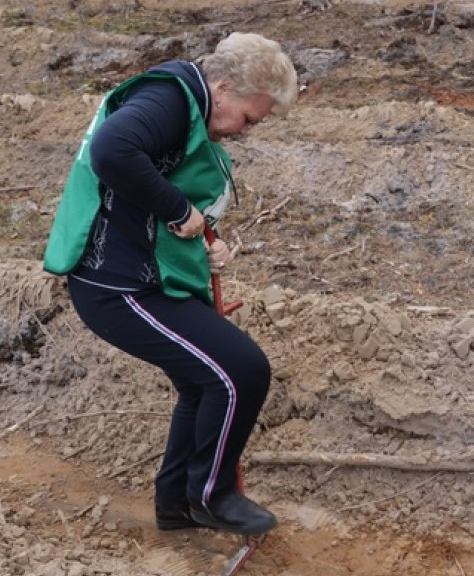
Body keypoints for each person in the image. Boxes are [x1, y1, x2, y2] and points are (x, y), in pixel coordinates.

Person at [43, 32, 299, 536]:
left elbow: (157, 184)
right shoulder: (167, 99)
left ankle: (176, 504)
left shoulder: (187, 106)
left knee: (203, 383)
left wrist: (208, 233)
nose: (245, 131)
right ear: (224, 88)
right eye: (249, 118)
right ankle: (212, 497)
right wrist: (179, 211)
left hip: (139, 277)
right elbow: (113, 151)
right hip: (115, 287)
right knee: (242, 370)